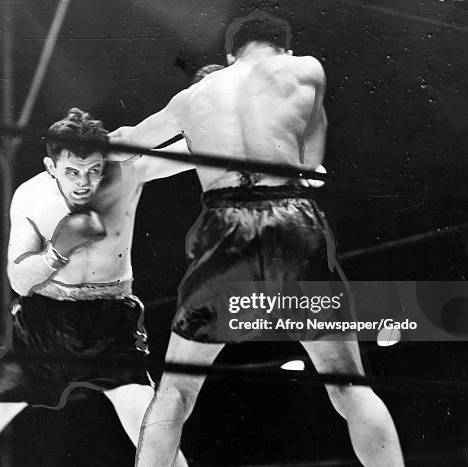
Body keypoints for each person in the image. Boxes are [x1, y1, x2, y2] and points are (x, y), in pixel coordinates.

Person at [110, 11, 404, 466]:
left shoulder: (192, 97)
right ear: (284, 47)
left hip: (223, 229)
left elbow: (129, 142)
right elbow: (309, 157)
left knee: (176, 391)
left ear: (230, 54)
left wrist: (90, 146)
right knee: (348, 384)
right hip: (293, 216)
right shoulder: (306, 69)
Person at [0, 108, 190, 467]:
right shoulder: (31, 197)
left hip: (111, 325)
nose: (83, 182)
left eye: (93, 171)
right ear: (51, 166)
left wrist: (224, 108)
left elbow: (196, 152)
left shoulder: (128, 174)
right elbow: (18, 280)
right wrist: (56, 252)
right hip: (43, 327)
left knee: (159, 440)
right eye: (72, 171)